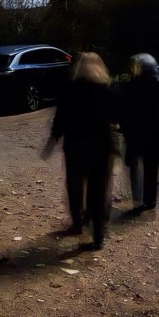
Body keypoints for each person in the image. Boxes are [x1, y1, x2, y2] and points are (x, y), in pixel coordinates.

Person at [43, 52, 119, 250]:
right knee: (98, 188)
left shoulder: (70, 89)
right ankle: (98, 235)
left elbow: (61, 118)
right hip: (101, 145)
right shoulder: (105, 89)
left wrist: (53, 139)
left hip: (76, 144)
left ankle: (77, 223)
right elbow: (116, 117)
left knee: (75, 185)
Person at [119, 52, 159, 213]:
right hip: (153, 135)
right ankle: (149, 200)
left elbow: (124, 113)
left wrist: (124, 130)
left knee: (135, 167)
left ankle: (138, 198)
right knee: (151, 168)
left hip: (135, 134)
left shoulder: (130, 87)